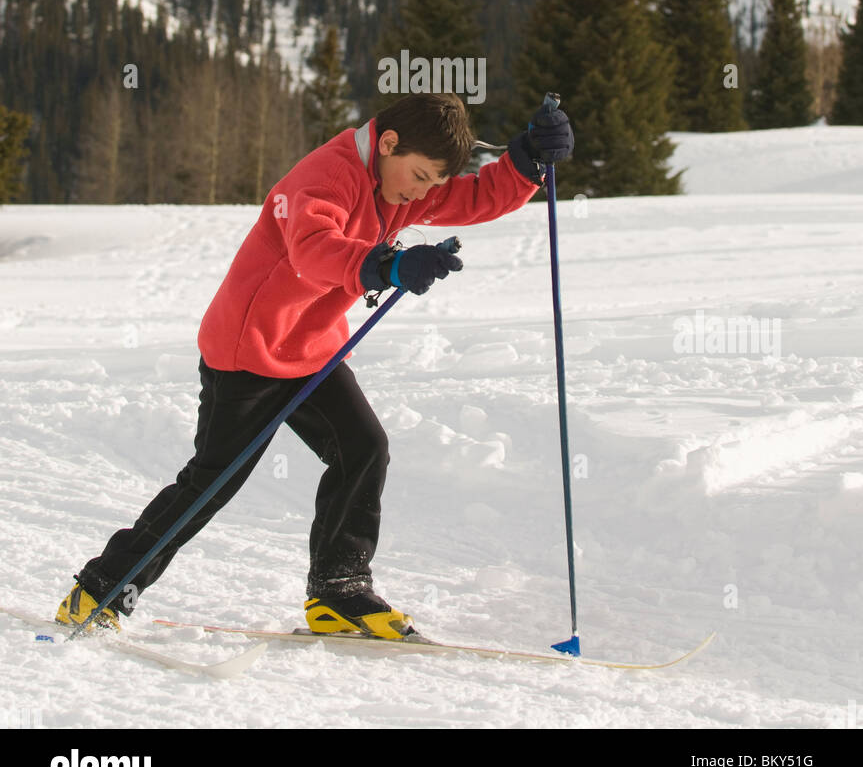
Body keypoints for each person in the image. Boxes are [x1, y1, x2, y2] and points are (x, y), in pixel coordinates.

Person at [56, 92, 573, 639]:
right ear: (389, 143)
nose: (422, 195)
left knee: (362, 449)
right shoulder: (328, 175)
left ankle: (338, 591)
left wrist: (525, 163)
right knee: (211, 483)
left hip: (311, 350)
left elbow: (470, 198)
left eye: (431, 185)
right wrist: (388, 265)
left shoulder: (397, 179)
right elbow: (314, 250)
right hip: (248, 351)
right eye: (419, 177)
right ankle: (101, 589)